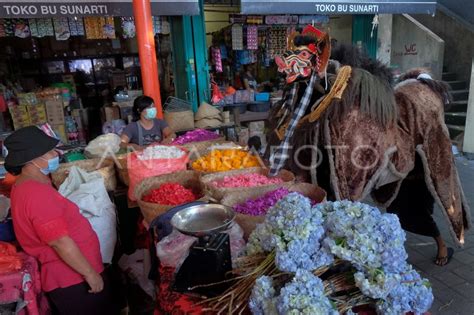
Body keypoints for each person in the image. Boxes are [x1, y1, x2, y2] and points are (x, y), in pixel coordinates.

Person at [4, 126, 116, 314]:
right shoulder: (35, 194)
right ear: (31, 160)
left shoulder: (29, 184)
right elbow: (59, 242)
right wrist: (90, 274)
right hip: (72, 279)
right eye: (49, 152)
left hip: (74, 273)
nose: (56, 154)